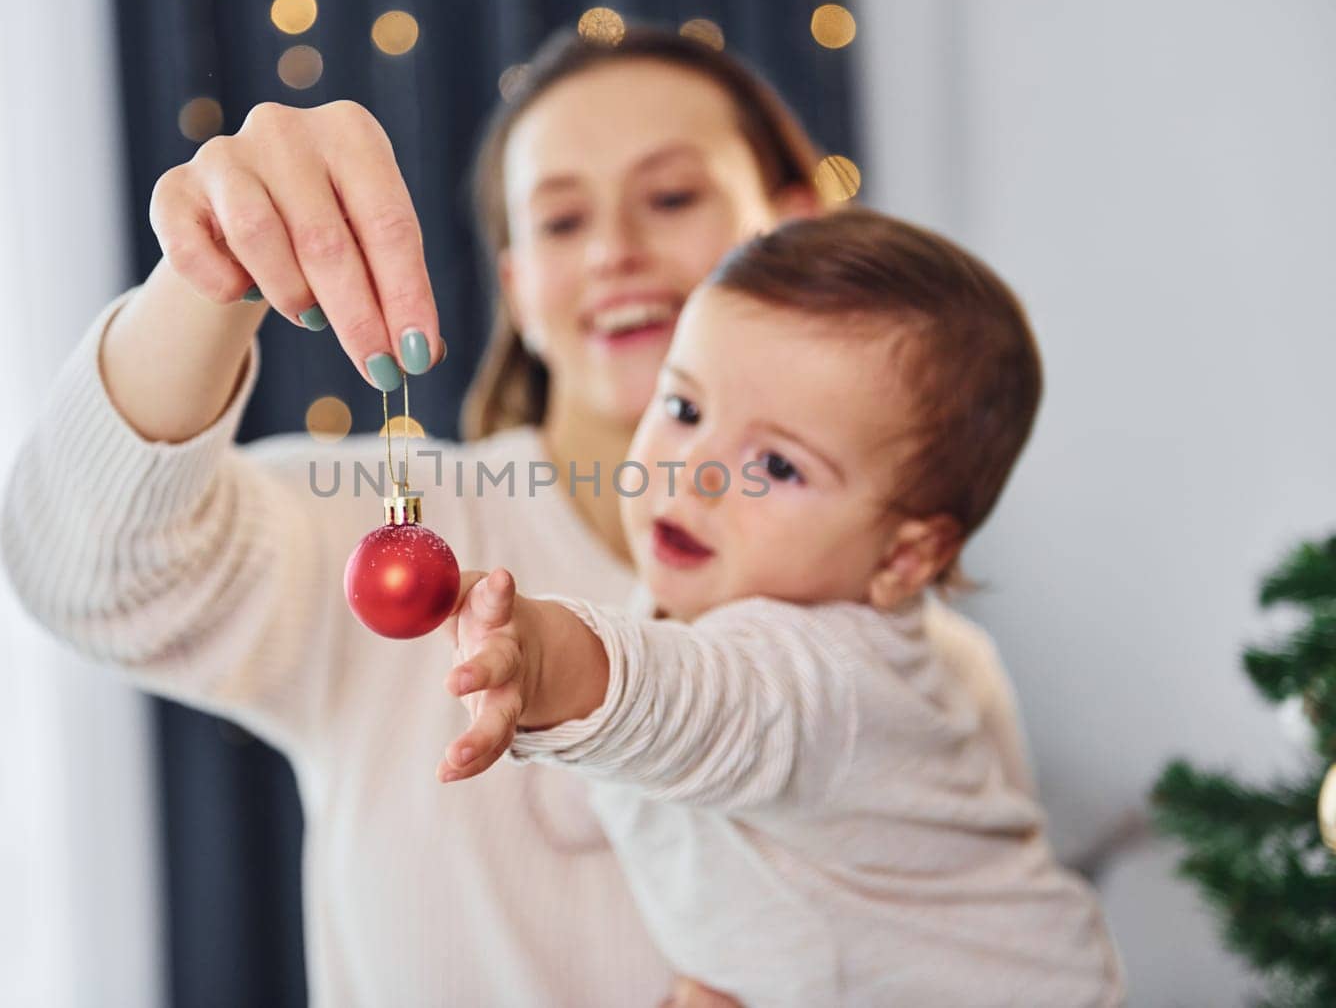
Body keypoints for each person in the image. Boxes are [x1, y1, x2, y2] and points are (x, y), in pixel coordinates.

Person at [0, 26, 1008, 1005]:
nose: (614, 249)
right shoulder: (402, 534)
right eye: (561, 221)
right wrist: (204, 277)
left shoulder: (927, 668)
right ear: (519, 288)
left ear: (790, 231)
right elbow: (87, 575)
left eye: (670, 195)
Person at [438, 210, 1127, 1006]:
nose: (694, 472)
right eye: (686, 410)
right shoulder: (674, 605)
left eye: (775, 463)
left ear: (905, 557)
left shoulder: (831, 679)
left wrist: (548, 660)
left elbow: (704, 701)